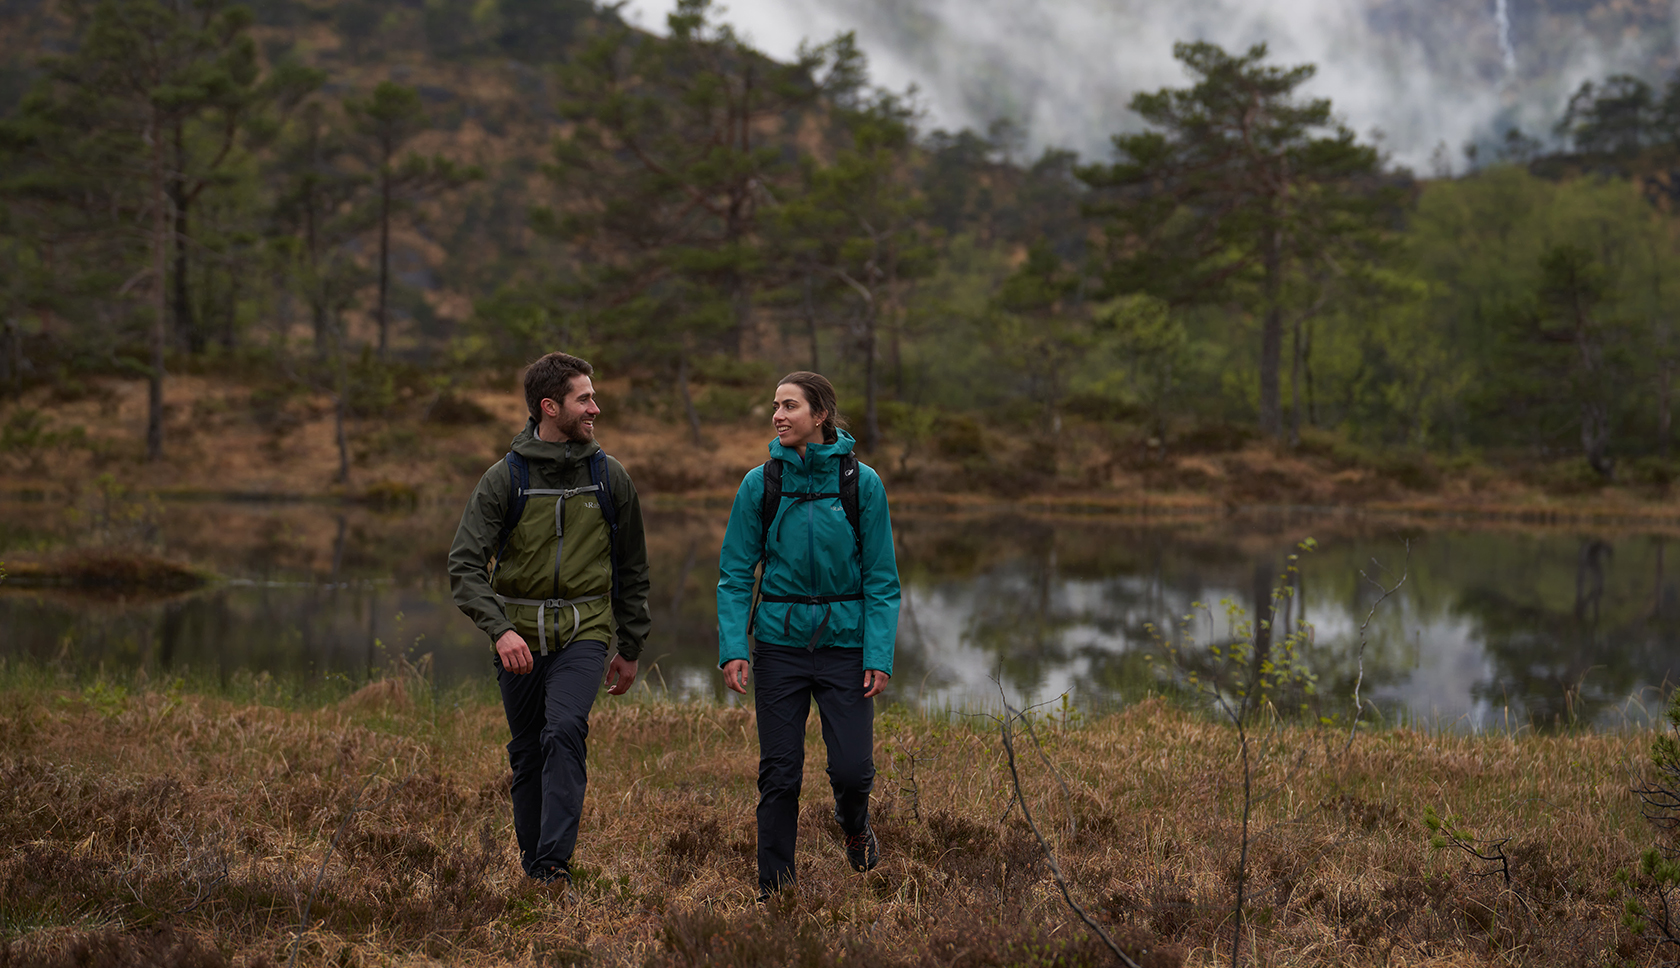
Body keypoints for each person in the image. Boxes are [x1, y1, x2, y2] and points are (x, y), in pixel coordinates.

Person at [448, 351, 651, 885]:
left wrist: (629, 647)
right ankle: (534, 865)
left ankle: (553, 867)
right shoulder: (503, 479)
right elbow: (465, 566)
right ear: (549, 406)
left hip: (585, 632)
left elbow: (632, 570)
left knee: (563, 730)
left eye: (592, 396)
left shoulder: (611, 478)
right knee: (528, 751)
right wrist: (501, 629)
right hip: (518, 636)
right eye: (584, 398)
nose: (595, 408)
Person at [716, 371, 902, 897]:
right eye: (775, 405)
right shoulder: (760, 484)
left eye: (790, 405)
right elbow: (735, 574)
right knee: (780, 773)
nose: (778, 415)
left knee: (852, 770)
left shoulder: (861, 483)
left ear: (819, 415)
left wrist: (878, 654)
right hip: (779, 645)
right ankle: (775, 891)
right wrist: (734, 647)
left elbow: (882, 580)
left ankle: (854, 824)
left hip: (846, 645)